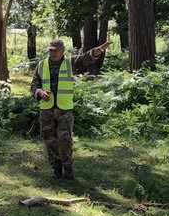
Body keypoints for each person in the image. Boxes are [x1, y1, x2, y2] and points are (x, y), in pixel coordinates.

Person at [29, 37, 110, 180]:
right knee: (50, 140)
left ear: (62, 51)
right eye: (51, 50)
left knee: (64, 138)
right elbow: (34, 84)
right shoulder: (41, 65)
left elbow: (85, 59)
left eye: (56, 50)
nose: (53, 53)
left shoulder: (70, 62)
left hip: (64, 109)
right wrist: (39, 92)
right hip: (46, 109)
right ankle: (57, 169)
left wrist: (98, 51)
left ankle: (68, 167)